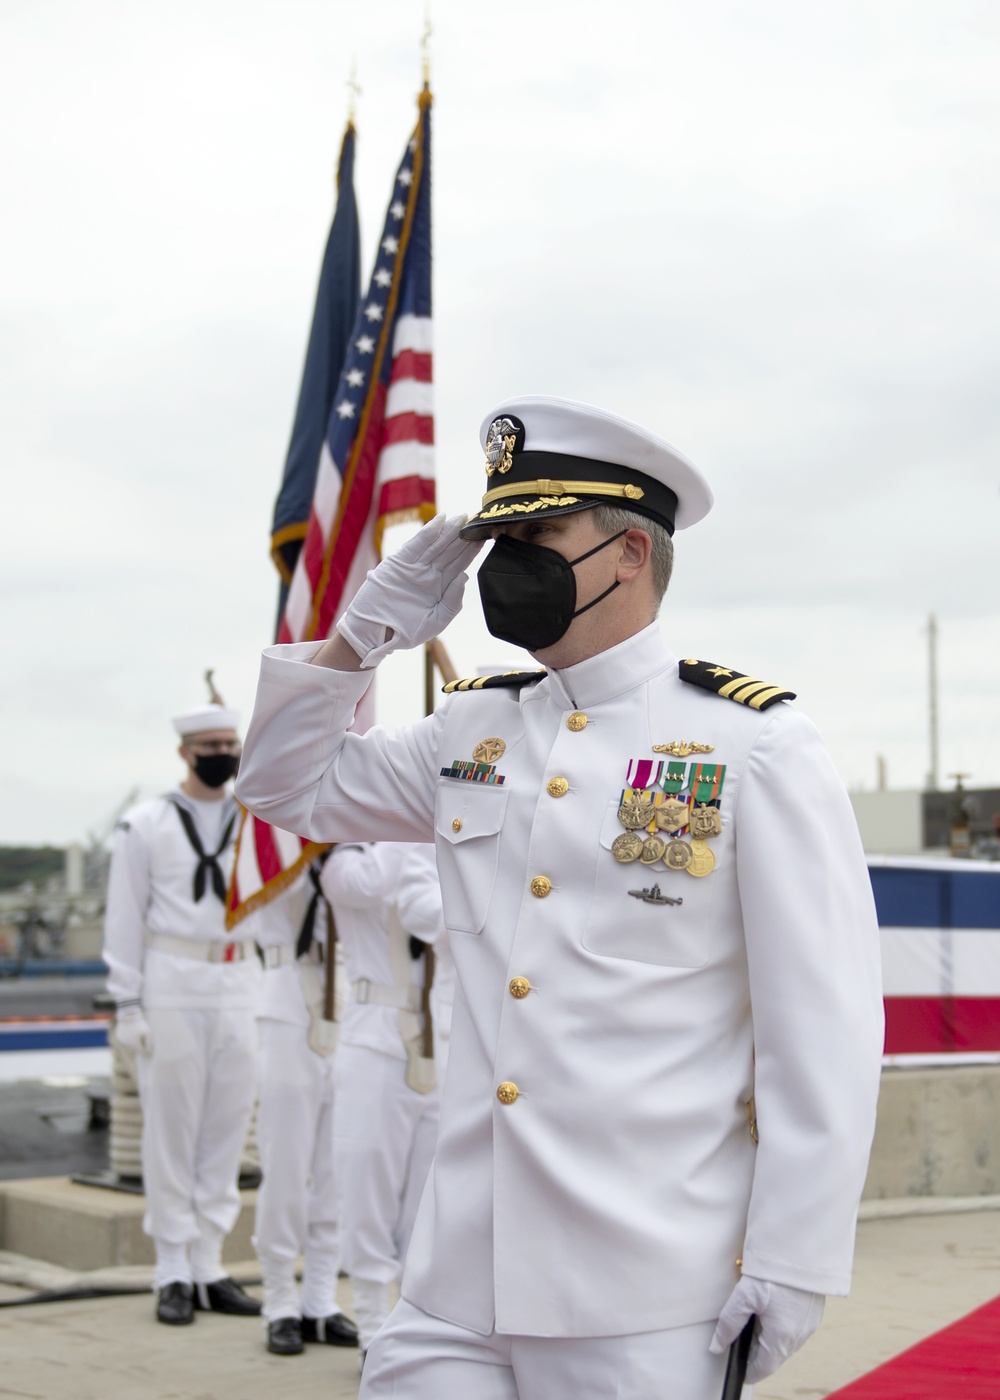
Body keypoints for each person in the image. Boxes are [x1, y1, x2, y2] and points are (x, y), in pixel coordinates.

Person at [234, 396, 884, 1400]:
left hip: (644, 1290)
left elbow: (821, 1029)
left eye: (537, 534)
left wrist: (794, 1256)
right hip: (454, 1279)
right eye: (497, 536)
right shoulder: (469, 732)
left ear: (628, 553)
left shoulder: (753, 745)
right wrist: (362, 636)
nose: (504, 562)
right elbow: (280, 787)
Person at [104, 693, 263, 1326]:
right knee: (171, 1131)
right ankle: (171, 1266)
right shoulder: (145, 823)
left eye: (230, 748)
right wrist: (128, 1003)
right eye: (211, 750)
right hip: (171, 980)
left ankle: (209, 1264)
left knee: (225, 1130)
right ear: (184, 753)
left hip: (239, 980)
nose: (223, 758)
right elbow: (124, 916)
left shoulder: (255, 821)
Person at [318, 841, 453, 1364]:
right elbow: (376, 887)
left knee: (426, 1202)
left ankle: (410, 1325)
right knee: (367, 1192)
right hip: (375, 1038)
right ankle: (372, 1330)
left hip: (443, 1039)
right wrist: (415, 827)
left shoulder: (439, 853)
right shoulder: (344, 860)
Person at [251, 860, 360, 1355]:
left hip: (353, 996)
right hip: (288, 993)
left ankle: (319, 1298)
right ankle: (278, 1300)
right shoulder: (271, 845)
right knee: (286, 1163)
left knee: (337, 1164)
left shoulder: (358, 852)